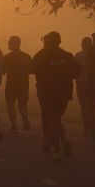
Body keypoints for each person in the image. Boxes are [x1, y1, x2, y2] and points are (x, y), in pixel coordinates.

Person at [32, 31, 80, 161]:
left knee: (50, 118)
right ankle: (54, 141)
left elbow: (31, 69)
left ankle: (59, 147)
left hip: (46, 91)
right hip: (64, 92)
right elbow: (77, 71)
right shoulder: (67, 56)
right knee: (56, 118)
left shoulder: (41, 55)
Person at [1, 36, 33, 133]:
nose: (8, 44)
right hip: (23, 83)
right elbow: (31, 70)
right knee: (22, 104)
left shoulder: (7, 57)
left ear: (14, 44)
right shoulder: (26, 56)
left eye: (10, 42)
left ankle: (14, 125)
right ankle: (24, 116)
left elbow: (2, 71)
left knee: (10, 104)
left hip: (11, 83)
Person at [74, 37, 93, 137]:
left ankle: (86, 128)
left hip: (81, 83)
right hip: (91, 82)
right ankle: (90, 128)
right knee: (90, 106)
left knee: (83, 107)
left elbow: (74, 70)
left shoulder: (78, 55)